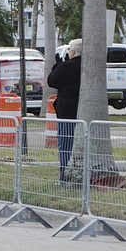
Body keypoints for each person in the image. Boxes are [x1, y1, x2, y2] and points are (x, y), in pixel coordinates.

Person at [47, 37, 82, 182]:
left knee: (66, 146)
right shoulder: (88, 66)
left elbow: (51, 81)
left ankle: (64, 176)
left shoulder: (66, 67)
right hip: (82, 112)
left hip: (67, 112)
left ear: (72, 52)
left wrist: (58, 65)